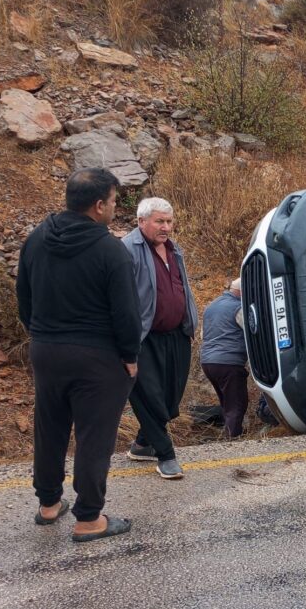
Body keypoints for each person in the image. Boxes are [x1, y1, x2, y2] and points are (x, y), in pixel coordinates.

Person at [16, 168, 141, 542]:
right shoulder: (109, 250)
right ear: (98, 204)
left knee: (49, 426)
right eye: (115, 202)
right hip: (97, 357)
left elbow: (24, 295)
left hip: (46, 349)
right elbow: (126, 313)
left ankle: (49, 503)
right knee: (93, 436)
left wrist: (41, 334)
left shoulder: (37, 239)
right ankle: (89, 518)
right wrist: (129, 355)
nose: (115, 209)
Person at [121, 198, 197, 480]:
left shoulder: (174, 249)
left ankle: (142, 444)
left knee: (169, 398)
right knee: (149, 397)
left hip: (177, 335)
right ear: (142, 222)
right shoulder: (127, 249)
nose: (166, 227)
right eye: (159, 221)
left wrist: (190, 321)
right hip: (144, 338)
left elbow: (182, 287)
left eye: (169, 221)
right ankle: (166, 455)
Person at [201, 278, 249, 438]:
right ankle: (233, 437)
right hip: (228, 362)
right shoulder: (239, 308)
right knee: (237, 402)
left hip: (208, 362)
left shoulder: (211, 306)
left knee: (227, 401)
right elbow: (252, 332)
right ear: (242, 291)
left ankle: (229, 432)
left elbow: (203, 334)